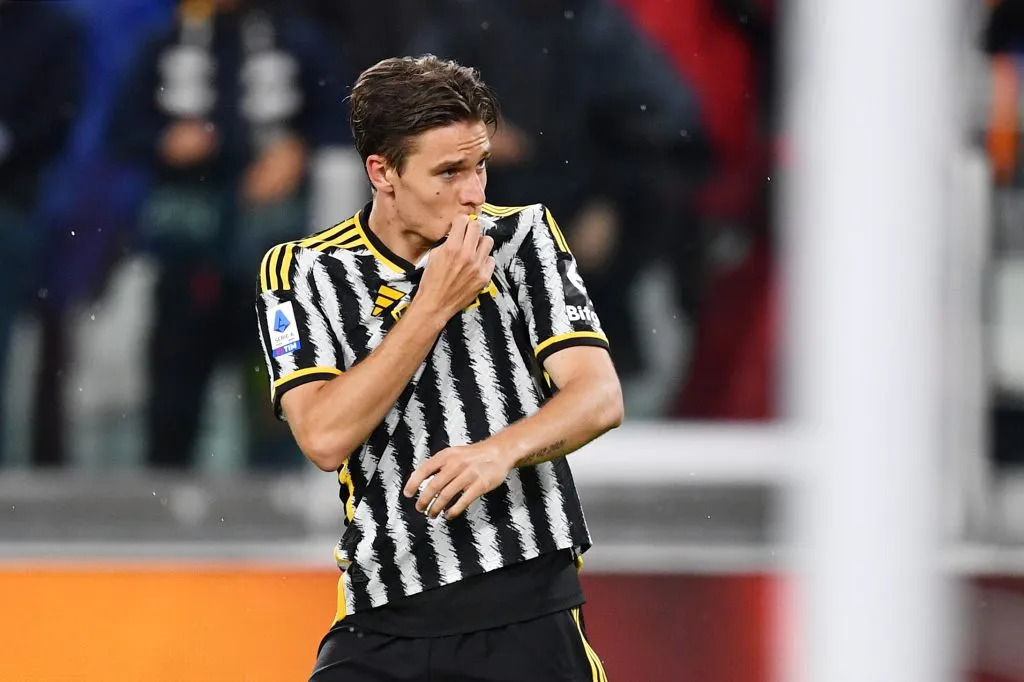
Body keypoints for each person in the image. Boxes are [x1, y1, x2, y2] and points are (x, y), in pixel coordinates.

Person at [255, 56, 623, 681]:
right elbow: (323, 435)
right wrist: (431, 305)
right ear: (383, 173)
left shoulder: (523, 238)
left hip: (526, 608)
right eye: (449, 172)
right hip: (382, 615)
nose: (474, 193)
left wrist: (500, 452)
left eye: (480, 166)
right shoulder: (302, 271)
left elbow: (598, 396)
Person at [109, 0, 352, 469]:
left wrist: (297, 151)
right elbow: (121, 129)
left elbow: (343, 118)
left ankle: (274, 495)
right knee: (175, 397)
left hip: (272, 262)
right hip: (188, 253)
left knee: (274, 396)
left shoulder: (296, 36)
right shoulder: (166, 40)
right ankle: (166, 495)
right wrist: (165, 141)